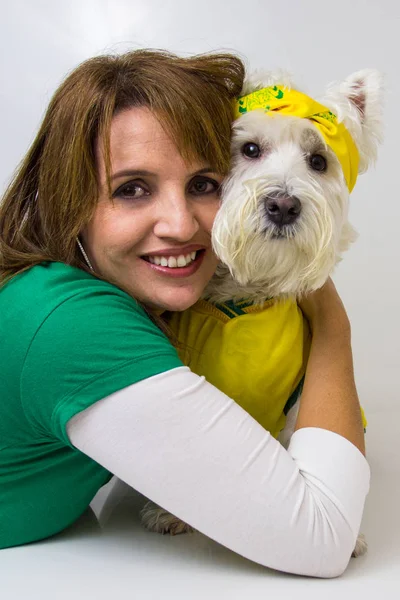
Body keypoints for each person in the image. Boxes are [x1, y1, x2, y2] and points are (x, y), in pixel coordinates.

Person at [0, 49, 368, 577]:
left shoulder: (101, 298)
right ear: (68, 201)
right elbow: (323, 539)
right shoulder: (73, 328)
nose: (180, 225)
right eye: (132, 189)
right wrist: (332, 322)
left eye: (203, 185)